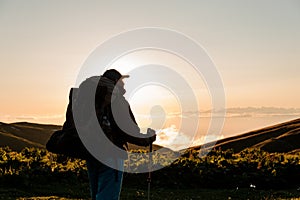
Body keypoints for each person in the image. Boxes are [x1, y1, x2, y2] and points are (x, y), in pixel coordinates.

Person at [79, 69, 156, 200]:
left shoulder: (91, 98)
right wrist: (148, 138)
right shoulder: (118, 100)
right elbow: (129, 131)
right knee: (108, 196)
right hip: (111, 155)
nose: (124, 84)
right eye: (121, 80)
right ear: (116, 82)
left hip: (91, 153)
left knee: (97, 194)